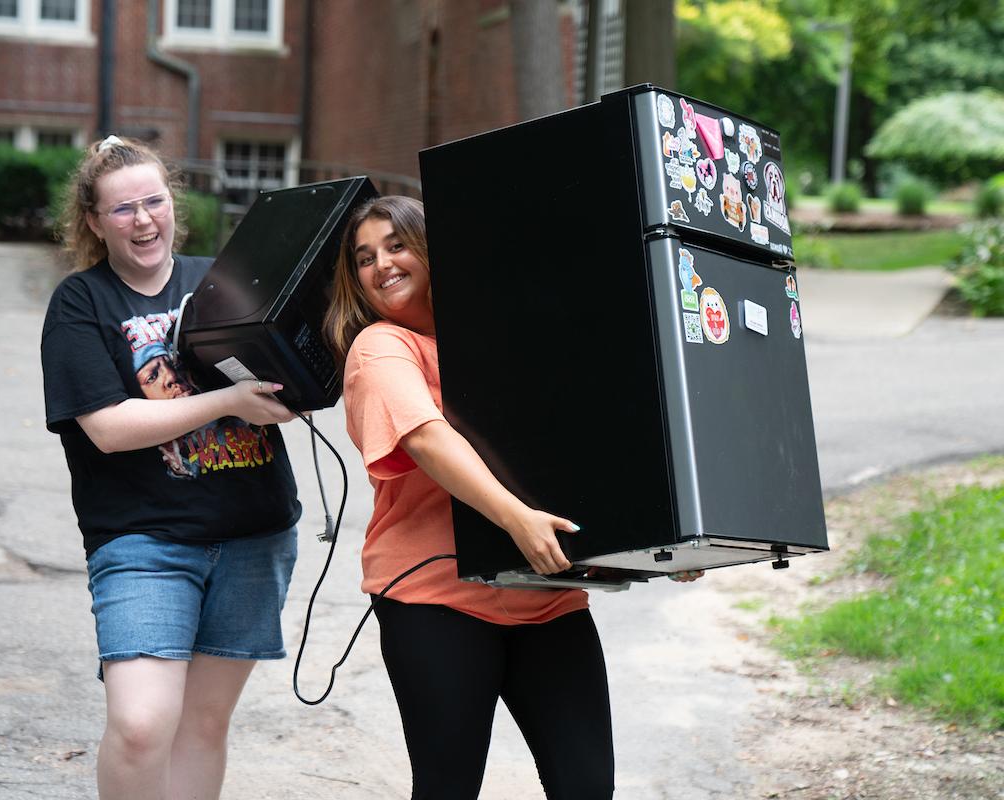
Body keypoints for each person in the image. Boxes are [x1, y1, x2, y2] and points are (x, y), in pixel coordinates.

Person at [323, 196, 702, 800]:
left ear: (430, 248)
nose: (382, 265)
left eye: (396, 245)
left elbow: (593, 436)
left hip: (546, 598)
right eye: (365, 257)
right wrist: (516, 517)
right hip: (435, 599)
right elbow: (425, 437)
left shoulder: (505, 336)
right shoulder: (381, 347)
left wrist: (667, 537)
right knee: (448, 789)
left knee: (585, 788)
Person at [40, 135, 302, 800]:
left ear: (172, 206)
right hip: (144, 542)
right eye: (122, 209)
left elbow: (281, 373)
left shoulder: (221, 280)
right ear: (94, 222)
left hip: (254, 536)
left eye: (153, 201)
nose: (144, 219)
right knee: (140, 724)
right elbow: (107, 427)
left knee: (203, 727)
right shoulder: (81, 304)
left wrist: (295, 387)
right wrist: (230, 401)